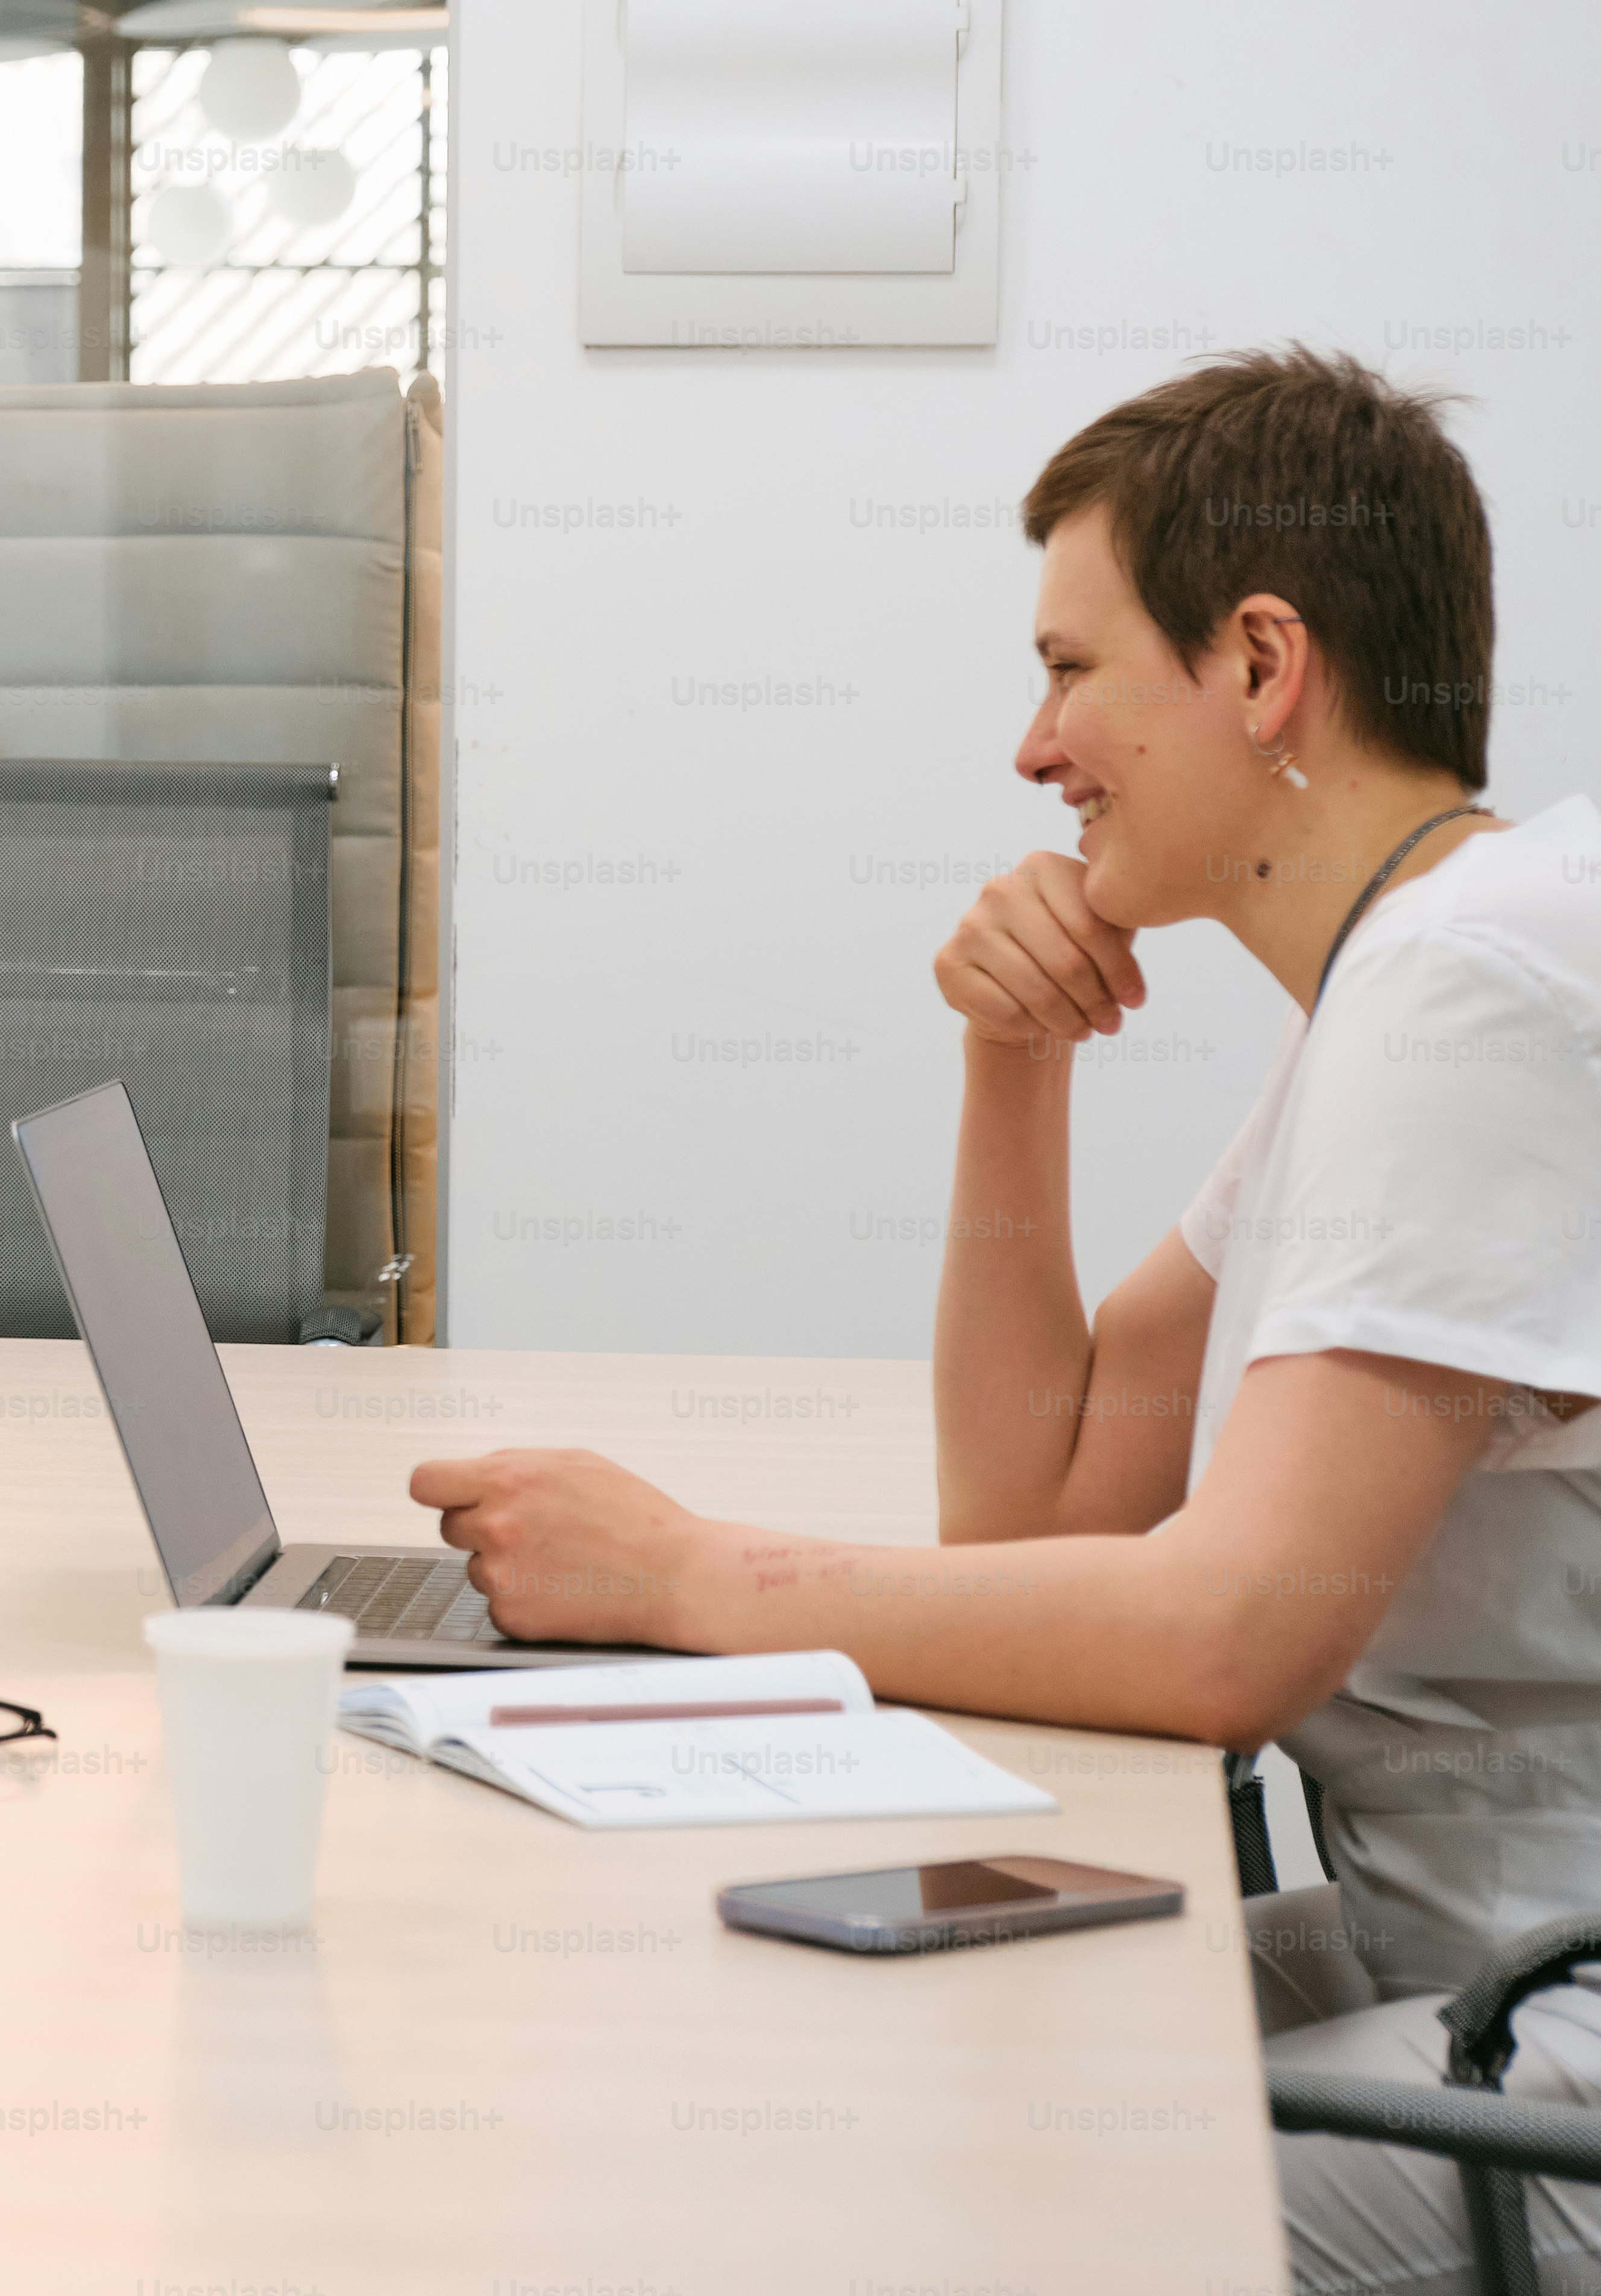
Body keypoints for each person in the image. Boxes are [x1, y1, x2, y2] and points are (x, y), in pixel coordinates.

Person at [398, 350, 1598, 2296]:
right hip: (1461, 1966)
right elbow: (1041, 1508)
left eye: (1070, 668)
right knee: (834, 2035)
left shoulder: (1471, 987)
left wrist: (693, 1573)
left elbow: (1223, 1629)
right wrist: (1007, 1057)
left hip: (1546, 2045)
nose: (1035, 749)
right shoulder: (1416, 972)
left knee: (895, 2202)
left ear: (1263, 662)